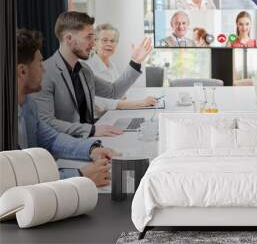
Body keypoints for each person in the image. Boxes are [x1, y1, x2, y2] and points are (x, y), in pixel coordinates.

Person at [17, 29, 119, 187]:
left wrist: (91, 149)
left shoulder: (28, 104)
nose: (44, 69)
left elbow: (53, 138)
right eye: (39, 63)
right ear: (22, 71)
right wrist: (80, 175)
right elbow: (18, 180)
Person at [32, 11, 152, 138]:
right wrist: (91, 130)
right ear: (68, 38)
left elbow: (113, 91)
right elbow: (46, 123)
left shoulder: (84, 70)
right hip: (61, 151)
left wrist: (135, 62)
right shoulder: (44, 73)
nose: (93, 43)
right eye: (88, 37)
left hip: (89, 142)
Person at [86, 23, 157, 118]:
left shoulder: (112, 66)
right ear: (95, 43)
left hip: (113, 115)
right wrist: (141, 103)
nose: (109, 44)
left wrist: (136, 61)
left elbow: (119, 94)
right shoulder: (88, 68)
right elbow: (102, 105)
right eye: (104, 40)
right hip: (99, 120)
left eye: (112, 41)